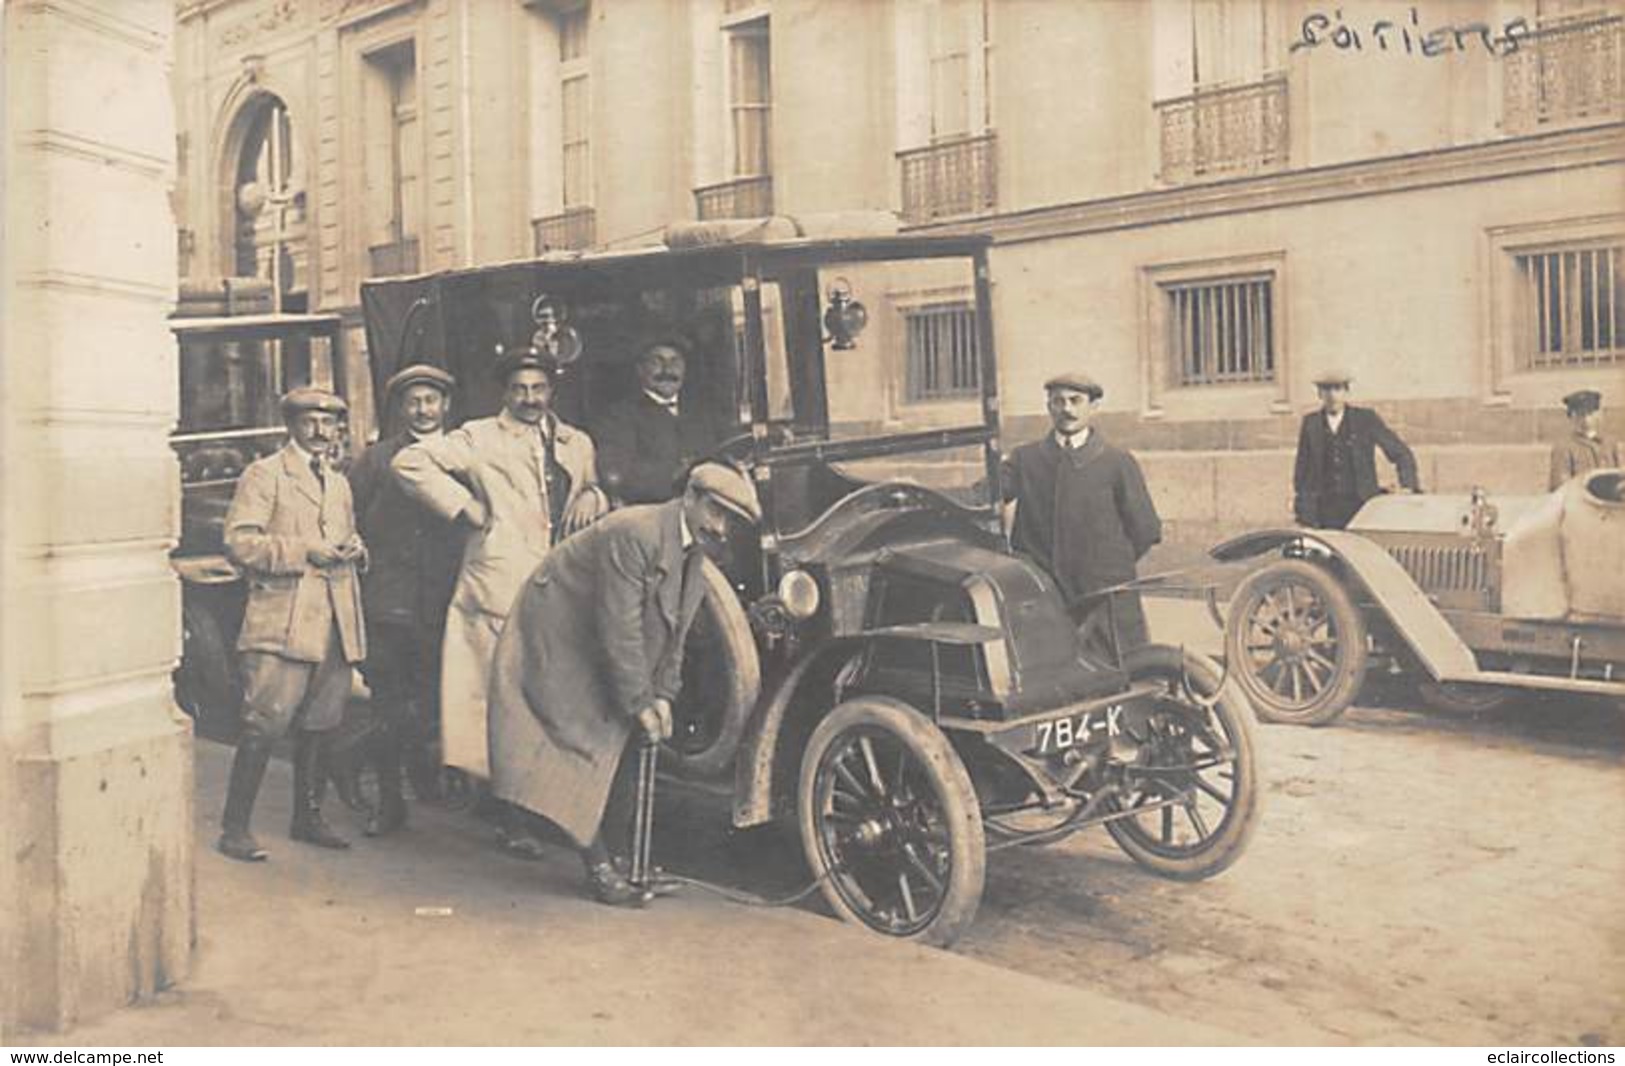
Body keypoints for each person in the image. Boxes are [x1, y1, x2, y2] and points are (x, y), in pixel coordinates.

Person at [486, 462, 761, 906]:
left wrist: (665, 695)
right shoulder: (634, 532)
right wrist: (639, 700)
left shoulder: (697, 549)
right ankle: (598, 866)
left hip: (596, 628)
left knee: (633, 739)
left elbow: (678, 630)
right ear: (689, 498)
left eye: (732, 519)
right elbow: (620, 629)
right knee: (581, 741)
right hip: (556, 627)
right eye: (716, 511)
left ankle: (626, 861)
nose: (723, 527)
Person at [392, 351, 607, 854]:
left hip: (560, 584)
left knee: (551, 698)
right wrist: (463, 505)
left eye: (538, 389)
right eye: (520, 389)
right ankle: (509, 817)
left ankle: (547, 808)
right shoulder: (480, 436)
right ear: (504, 393)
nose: (530, 399)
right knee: (502, 700)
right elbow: (410, 461)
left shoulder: (576, 442)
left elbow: (589, 486)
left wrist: (593, 495)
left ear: (551, 391)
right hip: (499, 582)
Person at [218, 387, 367, 862]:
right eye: (311, 421)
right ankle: (235, 828)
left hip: (335, 620)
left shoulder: (338, 481)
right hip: (283, 619)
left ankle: (307, 817)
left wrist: (357, 549)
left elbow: (344, 532)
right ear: (291, 424)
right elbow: (240, 543)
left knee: (322, 723)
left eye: (330, 422)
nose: (322, 431)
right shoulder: (265, 475)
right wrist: (304, 551)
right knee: (263, 723)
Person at [346, 364, 463, 836]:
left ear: (445, 406)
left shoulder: (462, 456)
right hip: (390, 603)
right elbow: (348, 517)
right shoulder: (376, 460)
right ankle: (390, 801)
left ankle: (361, 760)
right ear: (400, 409)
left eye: (431, 401)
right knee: (389, 706)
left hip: (444, 602)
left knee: (435, 702)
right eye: (413, 402)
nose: (422, 410)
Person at [1002, 372, 1162, 650]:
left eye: (1076, 401)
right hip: (1044, 596)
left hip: (1103, 598)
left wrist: (1106, 565)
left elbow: (1146, 530)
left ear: (1093, 407)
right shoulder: (1025, 460)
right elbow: (984, 496)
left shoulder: (1117, 462)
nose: (1067, 409)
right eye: (1058, 401)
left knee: (1120, 674)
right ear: (1049, 406)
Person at [594, 339, 727, 504]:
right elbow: (616, 475)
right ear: (640, 370)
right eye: (657, 361)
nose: (668, 369)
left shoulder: (702, 414)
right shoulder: (619, 416)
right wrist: (676, 476)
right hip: (651, 515)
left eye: (675, 361)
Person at [1292, 369, 1420, 530]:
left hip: (1361, 507)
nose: (1332, 396)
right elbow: (1302, 472)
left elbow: (1401, 453)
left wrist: (1408, 485)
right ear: (1319, 394)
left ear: (1346, 392)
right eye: (1326, 390)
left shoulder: (1365, 419)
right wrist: (1304, 512)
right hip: (1325, 511)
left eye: (1337, 389)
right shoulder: (1311, 424)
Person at [1548, 389, 1622, 490]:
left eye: (1590, 413)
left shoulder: (1609, 443)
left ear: (1598, 414)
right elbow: (1560, 487)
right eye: (1580, 415)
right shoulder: (1563, 447)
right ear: (1572, 417)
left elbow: (1618, 479)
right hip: (1577, 502)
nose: (1586, 420)